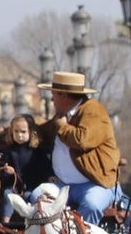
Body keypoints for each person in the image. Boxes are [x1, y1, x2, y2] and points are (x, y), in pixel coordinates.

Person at [36, 71, 121, 224]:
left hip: (95, 184)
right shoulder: (63, 115)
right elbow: (40, 132)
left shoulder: (94, 110)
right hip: (61, 184)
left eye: (53, 94)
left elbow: (82, 140)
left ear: (64, 96)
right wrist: (5, 133)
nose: (51, 99)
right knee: (37, 197)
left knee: (92, 205)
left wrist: (62, 126)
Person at [0, 113, 53, 220]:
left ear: (31, 132)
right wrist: (6, 170)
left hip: (32, 187)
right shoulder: (9, 151)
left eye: (23, 132)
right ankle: (6, 221)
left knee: (31, 196)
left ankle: (33, 221)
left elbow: (45, 167)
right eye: (16, 131)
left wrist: (50, 176)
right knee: (7, 195)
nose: (19, 135)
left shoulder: (37, 151)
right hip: (13, 187)